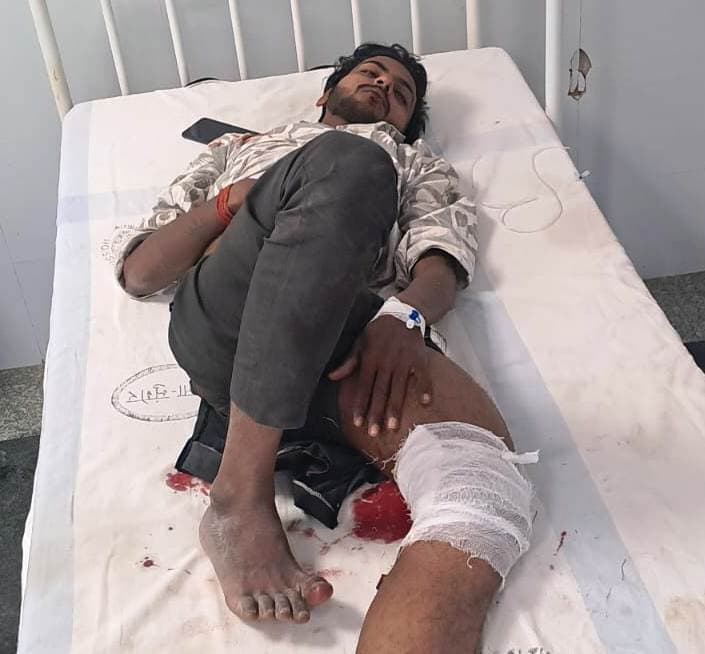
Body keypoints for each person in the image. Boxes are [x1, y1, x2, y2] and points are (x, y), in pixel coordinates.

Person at [116, 43, 532, 653]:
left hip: (344, 337)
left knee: (483, 493)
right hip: (227, 315)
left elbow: (440, 260)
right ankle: (240, 496)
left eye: (401, 93)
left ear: (407, 122)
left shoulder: (414, 162)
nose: (384, 87)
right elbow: (141, 273)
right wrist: (236, 199)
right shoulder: (236, 149)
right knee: (348, 161)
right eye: (371, 74)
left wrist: (403, 316)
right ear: (325, 92)